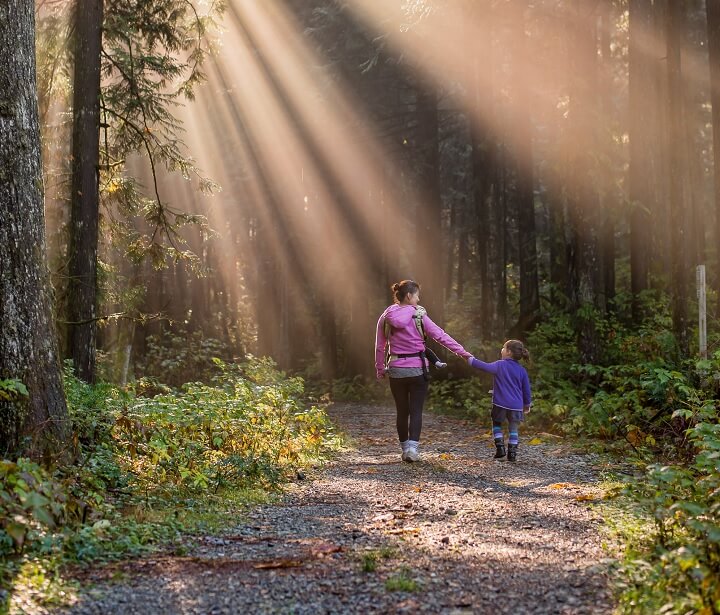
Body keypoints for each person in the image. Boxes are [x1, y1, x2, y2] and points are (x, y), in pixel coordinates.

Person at [375, 280, 472, 462]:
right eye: (417, 295)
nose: (419, 299)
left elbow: (380, 346)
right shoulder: (419, 316)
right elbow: (441, 336)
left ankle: (404, 450)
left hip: (396, 369)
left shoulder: (386, 316)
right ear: (409, 296)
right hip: (418, 370)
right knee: (416, 410)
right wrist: (463, 353)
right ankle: (413, 449)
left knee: (402, 411)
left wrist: (380, 368)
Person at [467, 339, 532, 462]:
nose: (501, 350)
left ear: (508, 352)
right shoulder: (522, 370)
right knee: (513, 428)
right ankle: (512, 453)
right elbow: (526, 390)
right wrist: (527, 404)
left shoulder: (499, 365)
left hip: (500, 403)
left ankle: (500, 449)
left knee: (496, 424)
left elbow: (484, 366)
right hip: (516, 406)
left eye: (503, 347)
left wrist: (470, 360)